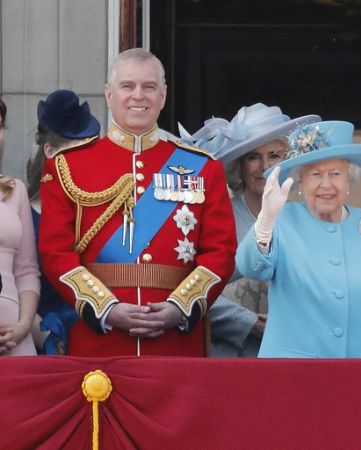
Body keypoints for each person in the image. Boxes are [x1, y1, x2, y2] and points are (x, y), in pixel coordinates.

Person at [39, 49, 236, 356]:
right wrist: (106, 308)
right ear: (108, 94)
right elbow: (55, 253)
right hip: (101, 343)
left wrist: (179, 308)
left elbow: (220, 252)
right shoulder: (67, 166)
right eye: (127, 86)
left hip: (176, 344)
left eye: (149, 87)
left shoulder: (204, 168)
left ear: (164, 95)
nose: (138, 96)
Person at [236, 120, 361, 359]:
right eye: (316, 174)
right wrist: (265, 220)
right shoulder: (281, 220)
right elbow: (250, 267)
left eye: (335, 174)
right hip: (291, 378)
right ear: (300, 181)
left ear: (349, 179)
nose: (326, 184)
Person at [182, 103, 320, 357]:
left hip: (293, 355)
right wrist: (248, 322)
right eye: (253, 157)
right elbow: (189, 287)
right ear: (239, 165)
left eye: (274, 155)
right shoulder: (217, 217)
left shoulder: (306, 222)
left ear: (289, 161)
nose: (264, 166)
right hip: (229, 356)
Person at [26, 90, 101, 354]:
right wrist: (44, 333)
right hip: (43, 342)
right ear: (50, 152)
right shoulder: (23, 213)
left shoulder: (108, 208)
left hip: (102, 333)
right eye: (76, 150)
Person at [0, 98, 40, 356]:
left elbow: (26, 271)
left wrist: (24, 325)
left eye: (1, 126)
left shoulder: (15, 191)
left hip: (15, 340)